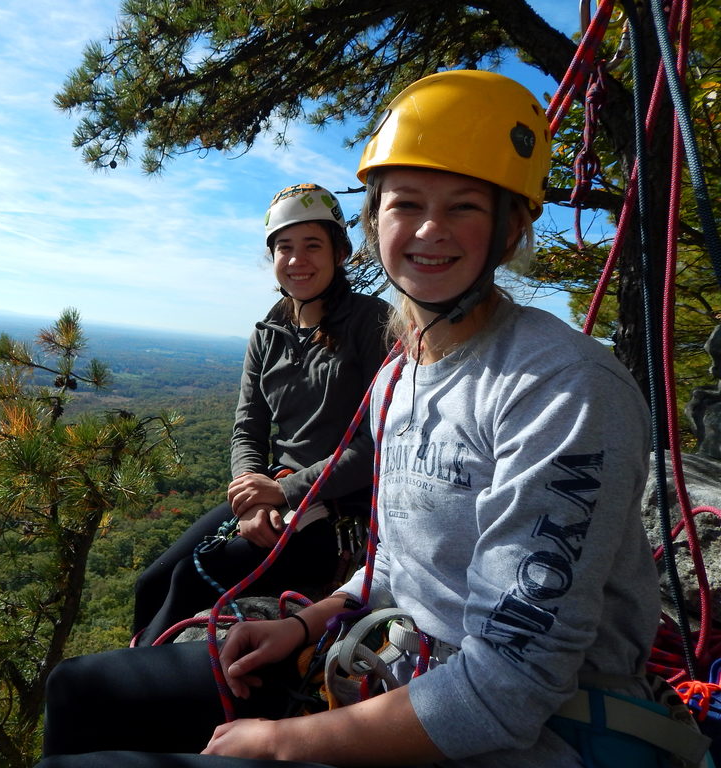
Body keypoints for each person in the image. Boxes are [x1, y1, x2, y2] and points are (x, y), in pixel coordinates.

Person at [38, 70, 682, 768]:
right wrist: (306, 622)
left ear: (511, 229)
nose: (430, 228)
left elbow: (510, 683)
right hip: (384, 661)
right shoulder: (401, 374)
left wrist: (283, 741)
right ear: (376, 221)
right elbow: (392, 568)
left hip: (516, 731)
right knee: (78, 690)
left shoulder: (561, 390)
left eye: (464, 206)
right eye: (406, 202)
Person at [131, 183, 390, 646]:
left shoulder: (372, 324)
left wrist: (284, 490)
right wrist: (252, 497)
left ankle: (140, 688)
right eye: (284, 248)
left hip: (336, 507)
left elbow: (378, 442)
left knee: (193, 578)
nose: (297, 259)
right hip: (275, 489)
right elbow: (247, 428)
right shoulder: (268, 334)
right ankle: (130, 679)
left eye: (313, 245)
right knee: (151, 582)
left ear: (340, 253)